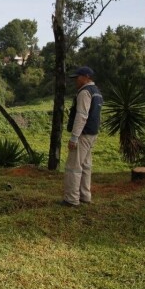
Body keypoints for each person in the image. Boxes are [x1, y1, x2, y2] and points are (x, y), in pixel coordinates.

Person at [63, 66, 103, 207]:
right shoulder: (97, 92)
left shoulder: (84, 92)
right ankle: (85, 196)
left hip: (83, 134)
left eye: (78, 77)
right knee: (86, 166)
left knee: (73, 166)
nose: (76, 81)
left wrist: (74, 137)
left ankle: (71, 199)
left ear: (86, 77)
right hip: (92, 133)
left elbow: (82, 115)